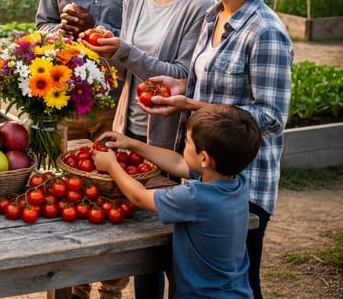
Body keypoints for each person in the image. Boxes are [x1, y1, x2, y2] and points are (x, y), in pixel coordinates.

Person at [140, 0, 294, 299]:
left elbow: (272, 118)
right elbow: (213, 82)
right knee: (192, 278)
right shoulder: (215, 14)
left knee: (236, 283)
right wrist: (180, 86)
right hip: (203, 173)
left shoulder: (266, 32)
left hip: (244, 183)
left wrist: (194, 103)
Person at [35, 0, 158, 299]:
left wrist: (98, 27)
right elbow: (41, 27)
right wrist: (60, 33)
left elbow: (145, 39)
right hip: (67, 104)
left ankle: (110, 286)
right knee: (65, 191)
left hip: (117, 102)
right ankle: (70, 287)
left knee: (112, 195)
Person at [85, 0, 215, 298]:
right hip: (131, 129)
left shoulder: (200, 6)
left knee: (170, 246)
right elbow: (128, 66)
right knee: (141, 246)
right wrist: (99, 53)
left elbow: (181, 75)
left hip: (170, 139)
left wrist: (123, 49)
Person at [91, 105, 262, 298]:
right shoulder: (237, 183)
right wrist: (130, 143)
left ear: (204, 159)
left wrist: (112, 165)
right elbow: (178, 163)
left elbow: (139, 196)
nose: (184, 147)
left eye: (188, 142)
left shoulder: (194, 197)